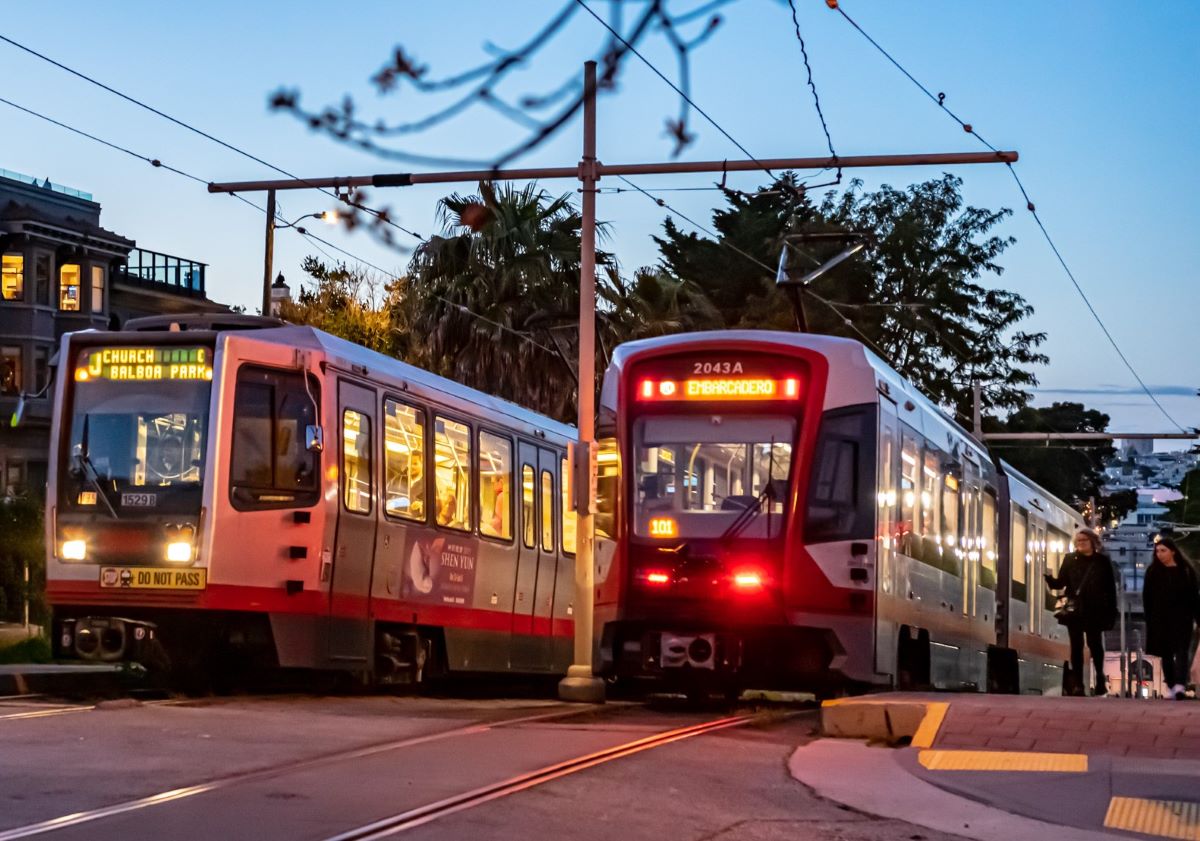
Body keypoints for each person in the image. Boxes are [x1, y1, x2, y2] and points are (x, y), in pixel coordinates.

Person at [1045, 527, 1118, 696]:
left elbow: (1110, 587)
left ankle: (1100, 677)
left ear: (1093, 542)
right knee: (1076, 646)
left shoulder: (1102, 561)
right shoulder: (1070, 559)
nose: (1080, 544)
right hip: (1075, 610)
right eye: (1078, 541)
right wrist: (1050, 580)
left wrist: (1111, 610)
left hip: (1095, 608)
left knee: (1095, 644)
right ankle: (1078, 683)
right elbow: (1061, 583)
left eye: (1084, 541)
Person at [1142, 537, 1200, 700]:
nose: (1159, 554)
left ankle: (1180, 684)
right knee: (1166, 653)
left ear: (1173, 551)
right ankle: (1172, 685)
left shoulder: (1186, 571)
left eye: (1163, 550)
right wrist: (1149, 618)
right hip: (1161, 619)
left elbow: (1194, 597)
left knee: (1182, 651)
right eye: (1157, 551)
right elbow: (1147, 597)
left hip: (1183, 618)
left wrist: (1198, 618)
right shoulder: (1153, 572)